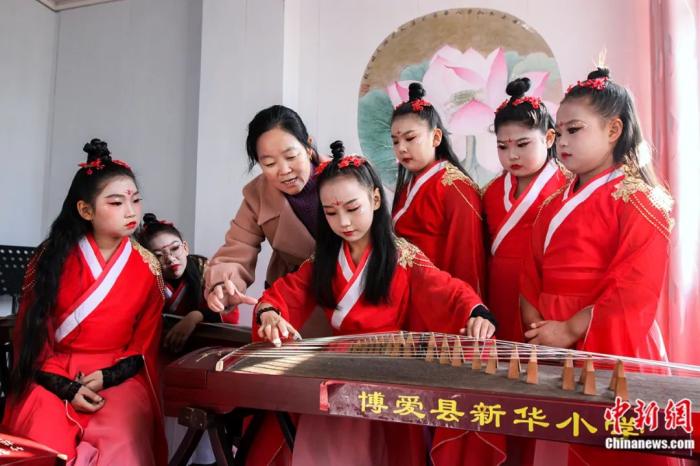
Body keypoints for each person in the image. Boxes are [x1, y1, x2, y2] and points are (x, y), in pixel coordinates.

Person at [246, 141, 496, 466]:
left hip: (389, 372)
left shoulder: (401, 256)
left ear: (375, 199)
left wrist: (475, 311)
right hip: (336, 372)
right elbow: (284, 293)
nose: (344, 222)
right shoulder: (324, 261)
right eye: (331, 212)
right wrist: (269, 313)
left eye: (353, 208)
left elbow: (446, 289)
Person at [521, 68, 677, 466]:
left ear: (613, 130)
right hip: (551, 339)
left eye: (574, 130)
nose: (562, 142)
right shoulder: (553, 201)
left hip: (608, 334)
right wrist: (539, 327)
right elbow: (531, 270)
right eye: (559, 133)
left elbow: (635, 288)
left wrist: (570, 329)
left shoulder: (641, 199)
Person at [4, 139, 166, 465]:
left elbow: (143, 344)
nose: (131, 211)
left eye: (135, 200)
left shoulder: (148, 267)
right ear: (86, 210)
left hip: (116, 376)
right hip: (51, 372)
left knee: (123, 439)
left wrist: (109, 376)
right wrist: (64, 387)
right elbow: (32, 335)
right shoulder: (51, 259)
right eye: (117, 202)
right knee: (43, 439)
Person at [205, 106, 325, 321]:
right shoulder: (257, 195)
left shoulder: (346, 176)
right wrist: (224, 285)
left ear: (308, 146)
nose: (284, 170)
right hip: (291, 299)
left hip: (352, 290)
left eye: (291, 156)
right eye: (269, 163)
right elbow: (238, 248)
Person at [482, 77, 570, 343]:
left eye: (522, 144)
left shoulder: (567, 187)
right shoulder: (490, 192)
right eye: (502, 146)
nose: (512, 155)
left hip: (542, 289)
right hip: (498, 288)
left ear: (549, 138)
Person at [391, 82, 485, 296]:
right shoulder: (409, 185)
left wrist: (462, 305)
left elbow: (467, 261)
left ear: (436, 137)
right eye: (395, 141)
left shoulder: (456, 187)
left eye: (410, 138)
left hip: (438, 295)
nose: (401, 148)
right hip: (407, 291)